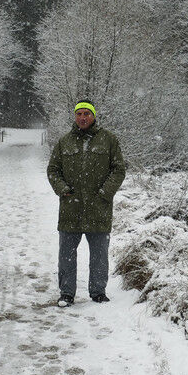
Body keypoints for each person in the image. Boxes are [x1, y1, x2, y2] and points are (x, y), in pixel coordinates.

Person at [46, 100, 126, 307]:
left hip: (99, 208)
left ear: (93, 116)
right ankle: (66, 293)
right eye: (79, 114)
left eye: (87, 114)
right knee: (67, 255)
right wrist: (63, 190)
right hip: (70, 208)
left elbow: (118, 170)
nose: (83, 117)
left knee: (99, 255)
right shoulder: (65, 142)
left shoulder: (108, 140)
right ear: (75, 116)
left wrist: (104, 193)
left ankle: (98, 292)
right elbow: (53, 170)